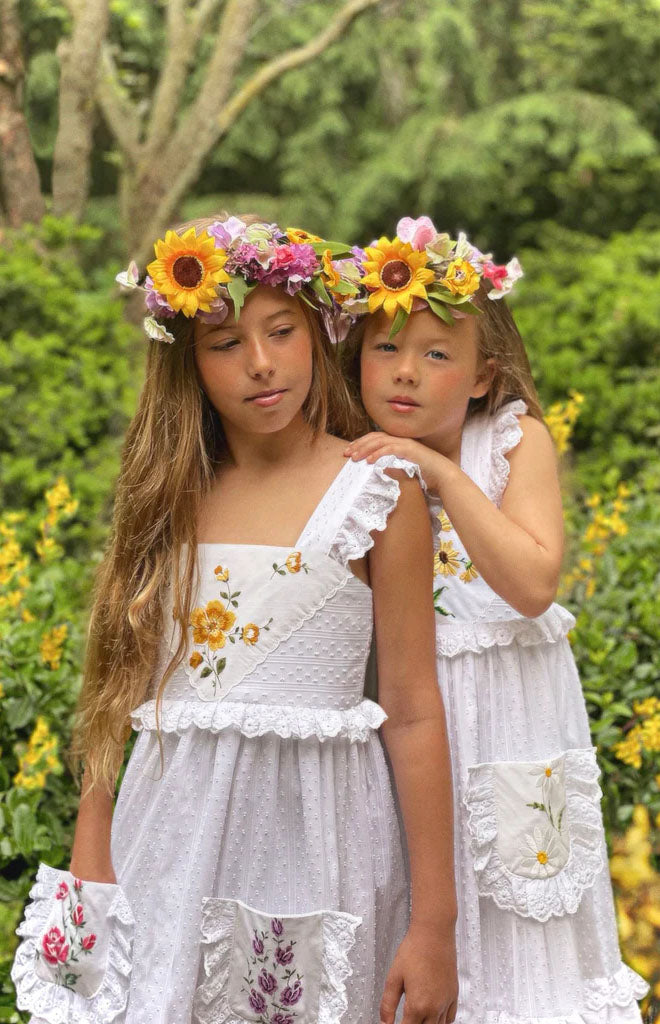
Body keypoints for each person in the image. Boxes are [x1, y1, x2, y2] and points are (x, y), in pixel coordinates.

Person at [12, 216, 459, 1024]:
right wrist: (91, 857)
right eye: (224, 344)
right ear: (188, 363)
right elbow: (117, 687)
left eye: (281, 331)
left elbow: (416, 709)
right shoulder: (166, 495)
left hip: (322, 849)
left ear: (319, 334)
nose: (260, 364)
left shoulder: (378, 494)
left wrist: (436, 923)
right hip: (166, 845)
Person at [342, 216, 649, 1024]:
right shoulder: (352, 458)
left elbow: (533, 583)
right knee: (409, 910)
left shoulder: (512, 443)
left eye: (437, 354)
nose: (405, 372)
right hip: (412, 728)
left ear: (484, 375)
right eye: (385, 348)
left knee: (521, 928)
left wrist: (442, 473)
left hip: (513, 728)